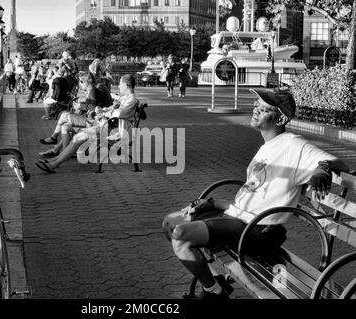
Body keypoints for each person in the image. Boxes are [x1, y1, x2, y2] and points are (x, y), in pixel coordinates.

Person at [162, 88, 349, 299]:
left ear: (280, 119)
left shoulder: (294, 144)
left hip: (259, 229)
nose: (256, 110)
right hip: (242, 219)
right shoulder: (268, 146)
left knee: (181, 235)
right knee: (170, 223)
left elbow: (340, 163)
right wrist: (214, 203)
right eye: (255, 105)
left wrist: (322, 168)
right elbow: (256, 193)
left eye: (264, 108)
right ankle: (217, 279)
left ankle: (214, 291)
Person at [35, 74, 138, 173]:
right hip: (108, 128)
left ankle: (54, 164)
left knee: (77, 136)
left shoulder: (131, 99)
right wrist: (102, 110)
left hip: (115, 132)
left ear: (126, 85)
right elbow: (112, 109)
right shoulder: (125, 98)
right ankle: (55, 161)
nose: (119, 86)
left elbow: (120, 113)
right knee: (76, 137)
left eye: (120, 84)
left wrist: (104, 113)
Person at [38, 71, 113, 158]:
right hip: (92, 120)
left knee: (64, 115)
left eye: (81, 82)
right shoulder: (92, 90)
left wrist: (80, 106)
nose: (80, 85)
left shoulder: (93, 91)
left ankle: (55, 140)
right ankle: (60, 151)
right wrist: (82, 105)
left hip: (92, 122)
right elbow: (93, 105)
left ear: (86, 82)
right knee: (65, 126)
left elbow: (94, 107)